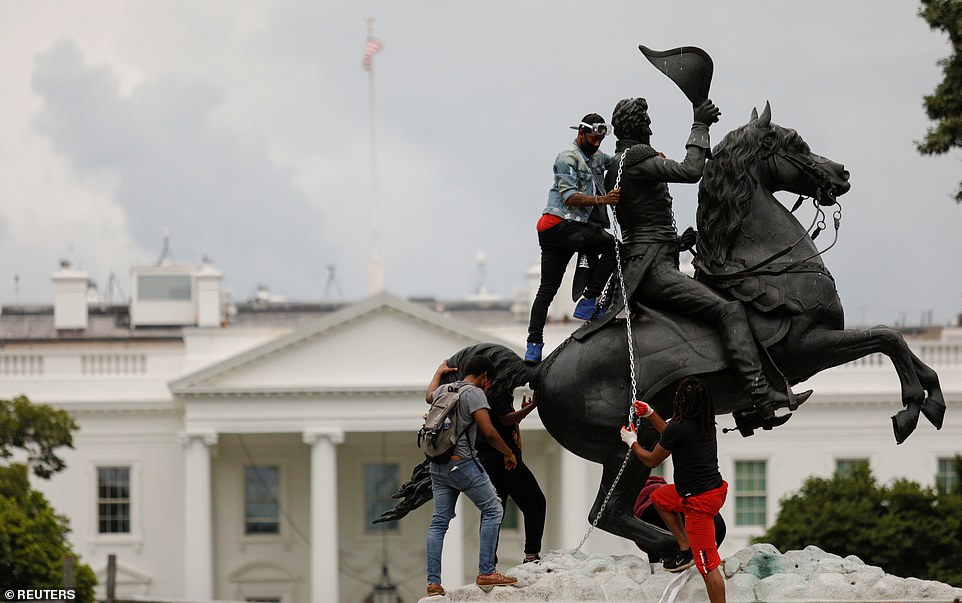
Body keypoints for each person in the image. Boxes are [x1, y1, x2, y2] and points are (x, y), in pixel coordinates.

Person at [596, 96, 810, 417]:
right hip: (653, 270)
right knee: (729, 310)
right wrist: (700, 125)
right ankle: (760, 394)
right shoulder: (635, 159)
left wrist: (677, 242)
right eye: (648, 122)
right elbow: (691, 170)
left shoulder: (621, 162)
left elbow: (643, 224)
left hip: (653, 257)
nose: (652, 127)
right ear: (638, 126)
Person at [619, 377, 728, 603]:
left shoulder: (679, 428)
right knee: (659, 497)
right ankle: (685, 546)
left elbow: (650, 460)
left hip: (699, 503)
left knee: (708, 567)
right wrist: (650, 413)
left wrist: (632, 442)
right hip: (711, 490)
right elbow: (670, 433)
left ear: (681, 402)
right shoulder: (705, 423)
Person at [524, 113, 622, 364]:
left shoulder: (596, 156)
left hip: (560, 229)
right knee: (615, 248)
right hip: (560, 225)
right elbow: (569, 197)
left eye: (601, 139)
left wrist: (650, 156)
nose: (598, 143)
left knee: (547, 289)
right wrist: (603, 200)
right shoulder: (567, 158)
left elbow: (618, 161)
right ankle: (588, 300)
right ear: (581, 132)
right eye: (593, 138)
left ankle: (533, 347)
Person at [424, 356, 519, 596]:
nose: (488, 385)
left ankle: (433, 583)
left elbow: (428, 396)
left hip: (438, 465)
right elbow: (488, 431)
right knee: (493, 509)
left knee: (438, 523)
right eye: (489, 380)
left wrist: (438, 371)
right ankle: (487, 572)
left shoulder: (446, 389)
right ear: (485, 376)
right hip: (462, 464)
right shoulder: (474, 393)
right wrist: (508, 453)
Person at [476, 391, 546, 564]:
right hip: (504, 459)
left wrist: (524, 411)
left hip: (489, 459)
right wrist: (533, 406)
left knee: (494, 510)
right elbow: (503, 420)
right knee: (536, 503)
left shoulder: (485, 393)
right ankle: (531, 554)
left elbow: (503, 425)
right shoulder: (499, 390)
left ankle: (488, 561)